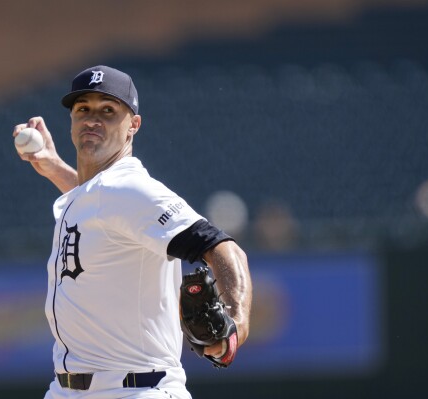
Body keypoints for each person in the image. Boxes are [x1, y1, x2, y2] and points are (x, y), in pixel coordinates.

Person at [13, 65, 252, 398]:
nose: (92, 119)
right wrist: (53, 167)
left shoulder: (131, 188)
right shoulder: (97, 196)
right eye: (83, 109)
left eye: (108, 111)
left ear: (133, 126)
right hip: (67, 389)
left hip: (136, 388)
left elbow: (223, 248)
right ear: (71, 122)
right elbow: (101, 208)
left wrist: (235, 322)